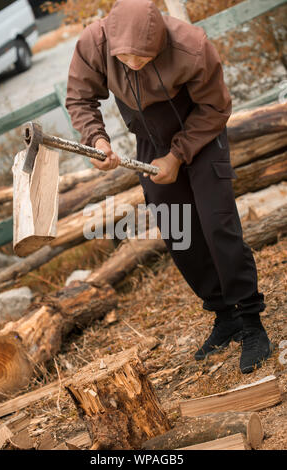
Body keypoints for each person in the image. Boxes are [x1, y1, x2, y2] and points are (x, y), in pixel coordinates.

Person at [65, 0, 273, 373]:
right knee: (179, 232)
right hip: (150, 141)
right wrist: (97, 140)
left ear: (160, 40)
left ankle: (251, 320)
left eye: (143, 57)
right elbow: (80, 97)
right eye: (125, 57)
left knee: (218, 224)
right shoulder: (93, 43)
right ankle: (224, 316)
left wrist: (177, 156)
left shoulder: (192, 45)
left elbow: (216, 107)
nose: (133, 63)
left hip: (202, 133)